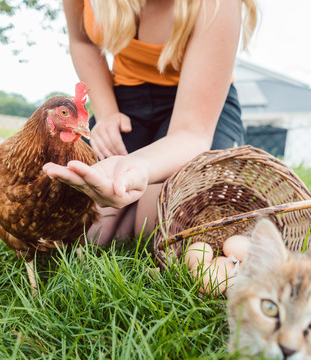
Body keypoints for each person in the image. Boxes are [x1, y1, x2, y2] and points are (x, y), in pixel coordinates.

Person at [43, 0, 258, 245]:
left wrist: (137, 166)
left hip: (200, 105)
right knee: (84, 233)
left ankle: (138, 208)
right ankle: (129, 211)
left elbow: (192, 132)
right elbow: (82, 40)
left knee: (157, 226)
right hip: (125, 96)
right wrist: (106, 113)